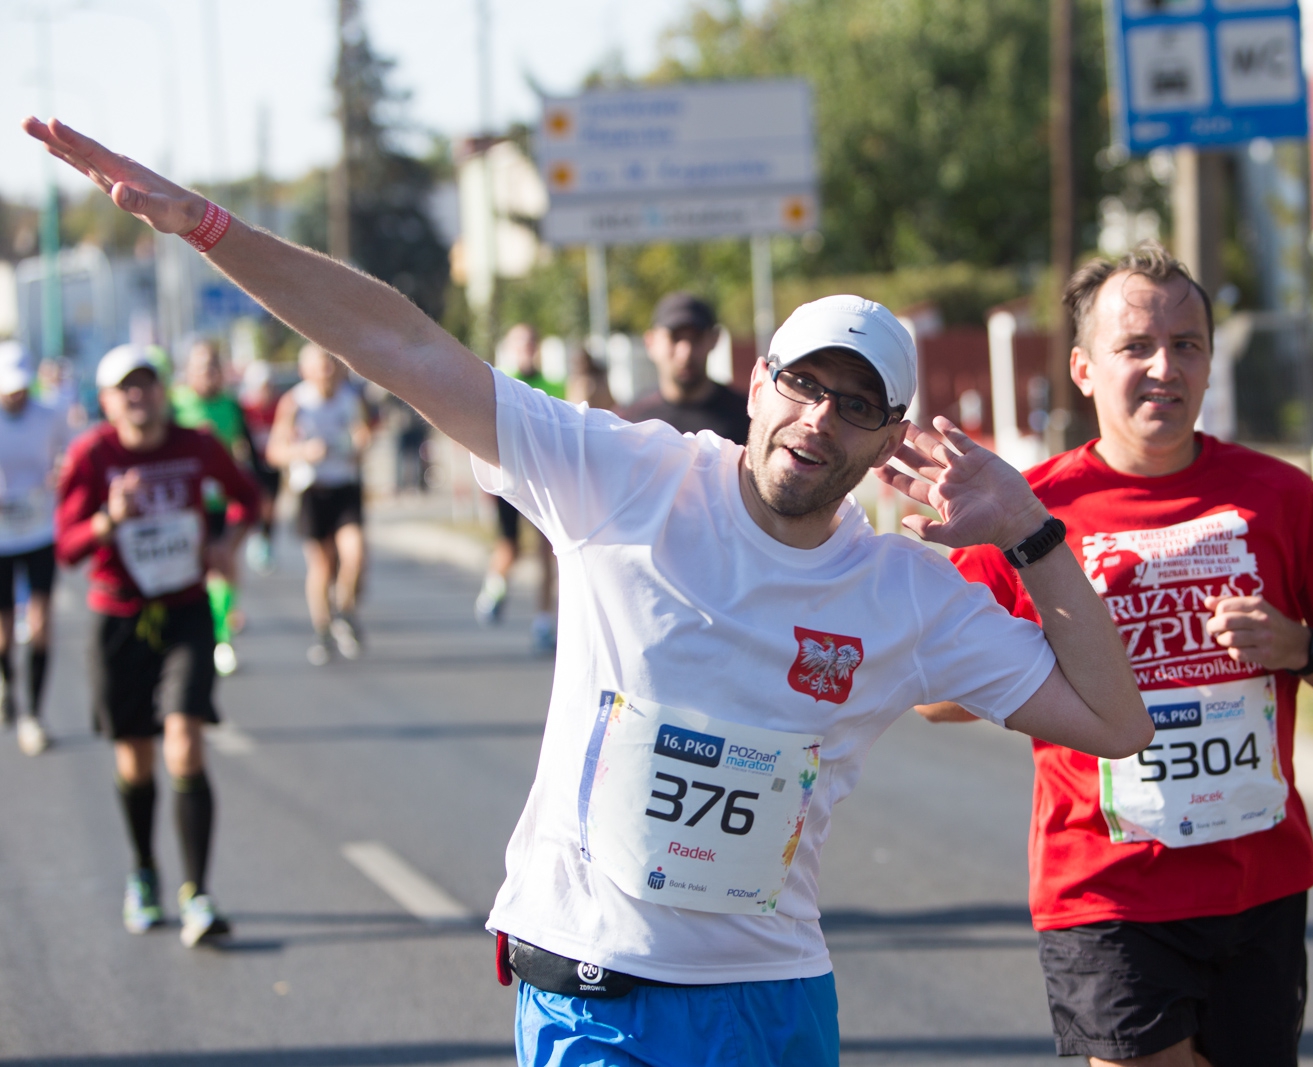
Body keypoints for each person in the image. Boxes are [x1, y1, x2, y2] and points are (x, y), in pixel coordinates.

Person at [26, 116, 1159, 1065]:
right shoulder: (625, 475)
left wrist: (1029, 534)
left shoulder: (906, 591)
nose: (820, 419)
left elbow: (1113, 721)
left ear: (887, 437)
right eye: (805, 385)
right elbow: (404, 346)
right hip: (591, 984)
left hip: (770, 993)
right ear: (756, 384)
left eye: (856, 406)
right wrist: (210, 229)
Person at [920, 243, 1313, 1067]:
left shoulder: (1282, 498)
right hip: (1102, 886)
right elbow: (936, 694)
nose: (1163, 367)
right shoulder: (1028, 511)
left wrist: (1299, 646)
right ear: (1083, 367)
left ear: (1211, 361)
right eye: (1135, 346)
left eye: (1186, 345)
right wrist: (1073, 642)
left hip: (1259, 883)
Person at [55, 342, 259, 947]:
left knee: (185, 743)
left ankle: (197, 892)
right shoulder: (93, 454)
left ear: (164, 390)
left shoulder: (196, 444)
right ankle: (143, 871)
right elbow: (66, 546)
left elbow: (249, 495)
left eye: (148, 383)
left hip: (187, 612)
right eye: (127, 387)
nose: (139, 395)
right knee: (134, 759)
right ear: (108, 400)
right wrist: (108, 520)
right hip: (117, 620)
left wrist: (230, 544)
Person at [268, 343, 371, 665]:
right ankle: (322, 630)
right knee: (322, 565)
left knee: (355, 553)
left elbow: (363, 438)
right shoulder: (295, 402)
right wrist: (303, 452)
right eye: (320, 364)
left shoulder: (350, 399)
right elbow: (275, 452)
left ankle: (345, 611)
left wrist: (354, 445)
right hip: (311, 490)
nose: (327, 370)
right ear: (306, 370)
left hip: (345, 486)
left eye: (331, 362)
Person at [0, 341, 71, 755]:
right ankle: (8, 688)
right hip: (1, 536)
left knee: (41, 623)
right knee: (5, 629)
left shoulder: (50, 415)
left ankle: (35, 714)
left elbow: (70, 455)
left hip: (40, 528)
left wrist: (60, 475)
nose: (15, 395)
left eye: (21, 387)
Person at [476, 323, 563, 653]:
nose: (526, 349)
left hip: (545, 481)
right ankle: (494, 587)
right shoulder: (500, 385)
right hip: (510, 480)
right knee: (509, 548)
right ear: (511, 348)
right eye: (520, 344)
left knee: (548, 553)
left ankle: (543, 623)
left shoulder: (554, 385)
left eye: (531, 343)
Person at [170, 339, 255, 676]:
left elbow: (247, 451)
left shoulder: (232, 406)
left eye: (213, 367)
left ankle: (221, 638)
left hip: (220, 504)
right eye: (201, 367)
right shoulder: (173, 405)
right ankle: (185, 637)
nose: (208, 374)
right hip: (183, 509)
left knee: (224, 567)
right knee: (189, 574)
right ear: (188, 372)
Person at [619, 292, 750, 443]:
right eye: (674, 338)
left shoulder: (748, 417)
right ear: (650, 343)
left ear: (715, 339)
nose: (686, 352)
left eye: (696, 338)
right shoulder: (630, 423)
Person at [237, 358, 284, 573]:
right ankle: (257, 540)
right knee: (260, 502)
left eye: (269, 386)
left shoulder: (279, 407)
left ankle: (266, 539)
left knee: (272, 507)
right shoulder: (245, 408)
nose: (266, 390)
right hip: (253, 464)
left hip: (274, 463)